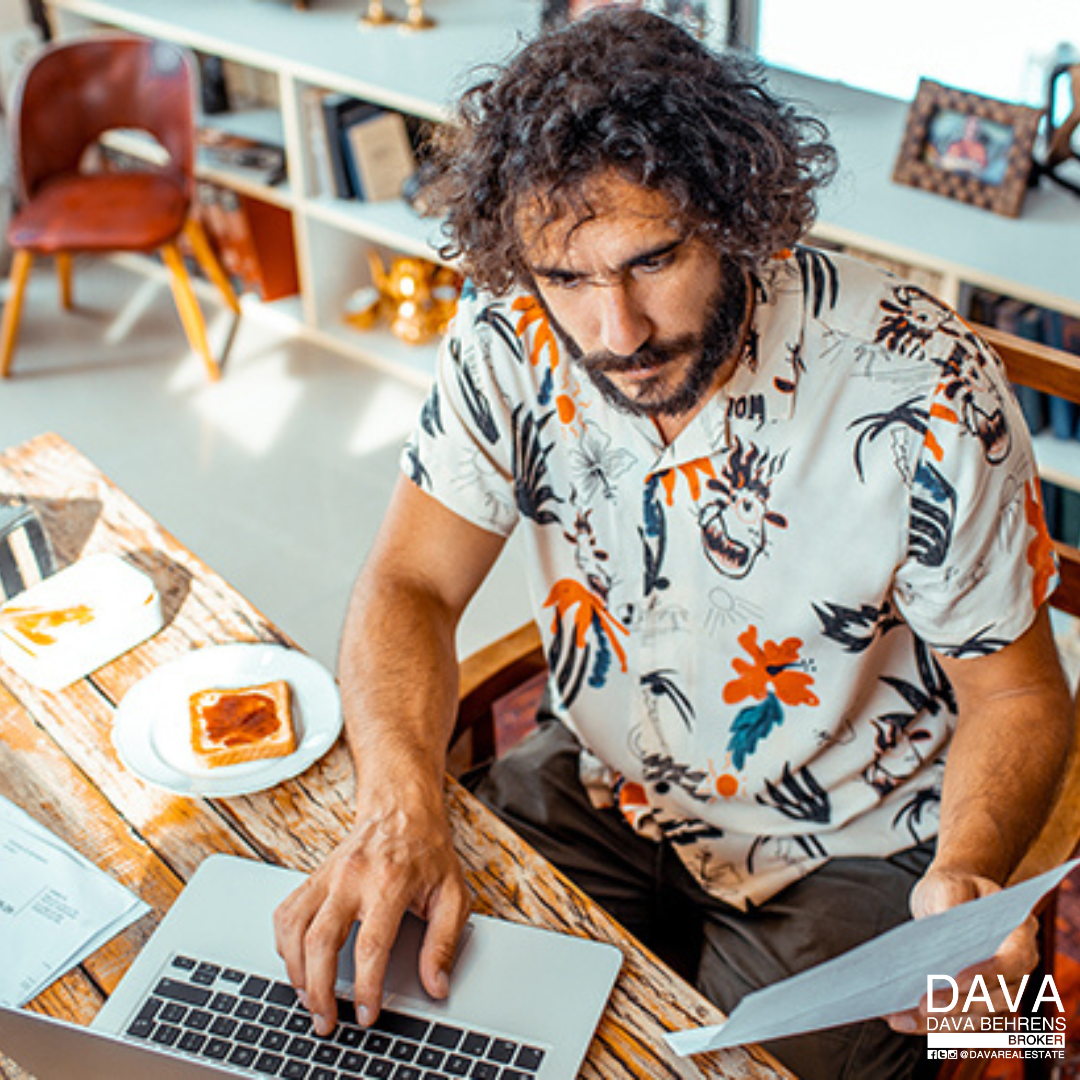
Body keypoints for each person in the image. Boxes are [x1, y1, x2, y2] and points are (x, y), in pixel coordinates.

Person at [273, 10, 1073, 1078]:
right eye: (568, 278)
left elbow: (1020, 697)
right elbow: (411, 581)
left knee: (866, 1051)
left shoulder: (923, 387)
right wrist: (401, 801)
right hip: (604, 785)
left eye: (654, 260)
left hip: (855, 841)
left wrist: (969, 871)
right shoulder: (506, 338)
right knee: (401, 1022)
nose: (618, 333)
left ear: (736, 212)